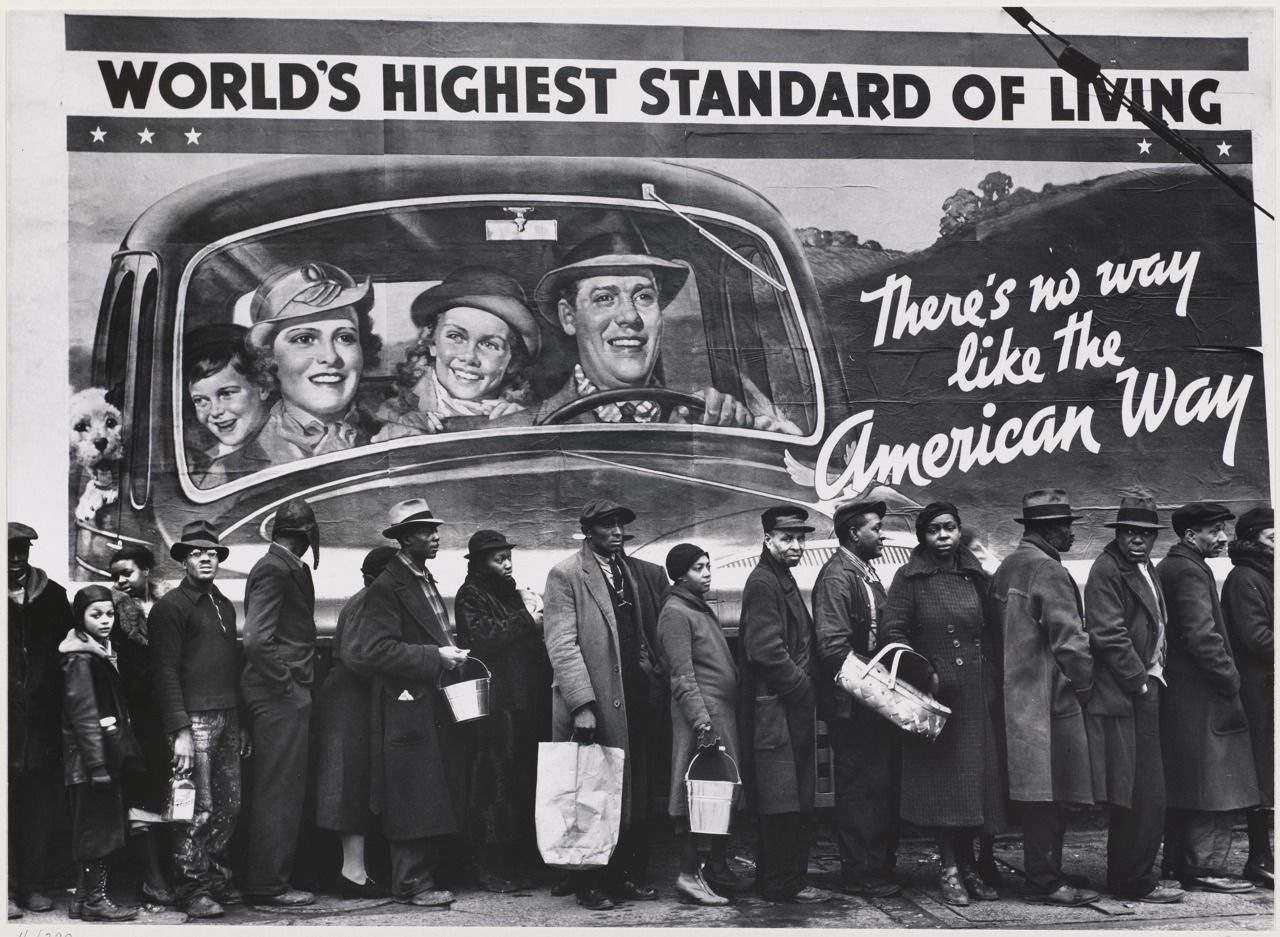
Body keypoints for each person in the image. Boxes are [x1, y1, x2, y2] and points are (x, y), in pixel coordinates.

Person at [531, 231, 800, 432]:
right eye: (604, 298)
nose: (630, 316)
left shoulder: (701, 425)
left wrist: (754, 442)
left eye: (644, 297)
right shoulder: (519, 432)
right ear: (569, 317)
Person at [543, 498, 668, 911]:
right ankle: (589, 884)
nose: (616, 531)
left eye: (620, 524)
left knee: (627, 790)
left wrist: (650, 671)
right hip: (596, 700)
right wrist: (581, 704)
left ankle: (623, 876)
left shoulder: (625, 571)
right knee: (590, 791)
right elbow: (561, 644)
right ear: (588, 531)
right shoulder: (566, 574)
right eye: (607, 525)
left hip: (630, 698)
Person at [345, 499, 470, 908]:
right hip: (407, 704)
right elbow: (375, 650)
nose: (435, 535)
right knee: (413, 793)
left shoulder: (421, 578)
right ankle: (411, 884)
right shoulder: (388, 585)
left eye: (434, 528)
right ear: (403, 538)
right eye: (424, 530)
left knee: (425, 790)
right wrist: (435, 657)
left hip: (424, 700)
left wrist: (445, 654)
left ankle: (420, 878)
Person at [880, 502, 1005, 907]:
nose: (943, 536)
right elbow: (892, 635)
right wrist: (927, 676)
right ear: (923, 536)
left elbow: (991, 630)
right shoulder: (909, 579)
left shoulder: (974, 575)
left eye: (950, 527)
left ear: (958, 530)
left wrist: (989, 677)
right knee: (944, 789)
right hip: (936, 699)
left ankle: (969, 867)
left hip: (974, 694)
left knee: (973, 789)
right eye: (934, 530)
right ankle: (949, 868)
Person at [990, 489, 1099, 907]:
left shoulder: (1008, 566)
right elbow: (1071, 642)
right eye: (1066, 525)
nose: (1071, 531)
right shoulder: (1048, 570)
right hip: (1050, 701)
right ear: (1049, 529)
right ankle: (1044, 880)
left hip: (1017, 699)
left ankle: (1047, 871)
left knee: (1039, 793)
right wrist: (1085, 687)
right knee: (1051, 795)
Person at [1081, 496, 1184, 904]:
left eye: (1145, 534)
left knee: (1144, 791)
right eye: (1130, 533)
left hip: (1147, 686)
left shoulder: (1144, 567)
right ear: (1118, 534)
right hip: (1128, 694)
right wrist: (1139, 682)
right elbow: (1107, 633)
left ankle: (1132, 875)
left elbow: (1156, 623)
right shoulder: (1108, 569)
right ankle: (1133, 880)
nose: (1138, 540)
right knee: (1141, 792)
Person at [149, 519, 250, 919]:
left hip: (227, 715)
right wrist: (180, 732)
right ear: (183, 561)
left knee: (230, 805)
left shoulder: (222, 603)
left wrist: (240, 721)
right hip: (194, 721)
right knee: (194, 807)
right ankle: (191, 888)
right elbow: (165, 673)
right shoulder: (170, 608)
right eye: (196, 552)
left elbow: (231, 667)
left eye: (212, 553)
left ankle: (217, 878)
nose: (206, 558)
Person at [1157, 502, 1259, 893]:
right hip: (1204, 695)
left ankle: (1179, 863)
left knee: (1191, 781)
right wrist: (1230, 680)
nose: (1222, 537)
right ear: (1190, 536)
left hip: (1185, 695)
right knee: (1213, 785)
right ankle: (1204, 869)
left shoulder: (1173, 565)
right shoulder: (1189, 571)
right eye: (1214, 530)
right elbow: (1202, 637)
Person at [738, 507, 833, 904]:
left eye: (800, 538)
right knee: (782, 800)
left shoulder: (780, 577)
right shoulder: (764, 582)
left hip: (783, 706)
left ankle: (780, 880)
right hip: (776, 708)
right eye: (787, 538)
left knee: (788, 798)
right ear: (768, 540)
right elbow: (765, 649)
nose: (796, 546)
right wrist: (802, 688)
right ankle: (783, 884)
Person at [811, 499, 902, 899]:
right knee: (859, 788)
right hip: (855, 705)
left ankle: (875, 867)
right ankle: (861, 873)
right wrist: (880, 684)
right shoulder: (836, 577)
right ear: (854, 533)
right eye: (876, 528)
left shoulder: (864, 572)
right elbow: (832, 647)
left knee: (877, 785)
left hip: (872, 700)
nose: (882, 535)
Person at [454, 529, 552, 893]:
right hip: (493, 704)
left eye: (508, 557)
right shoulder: (471, 594)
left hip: (519, 700)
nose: (507, 563)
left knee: (515, 782)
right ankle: (487, 864)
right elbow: (486, 636)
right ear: (481, 563)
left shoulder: (510, 593)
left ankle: (512, 861)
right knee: (491, 783)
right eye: (499, 559)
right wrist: (528, 617)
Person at [240, 499, 322, 907]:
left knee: (282, 788)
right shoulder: (275, 568)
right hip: (279, 695)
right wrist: (287, 686)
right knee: (279, 790)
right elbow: (256, 638)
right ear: (306, 534)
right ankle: (268, 883)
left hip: (284, 692)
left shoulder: (287, 566)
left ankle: (271, 878)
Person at [654, 544, 740, 906]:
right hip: (700, 719)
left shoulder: (697, 607)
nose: (706, 573)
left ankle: (716, 868)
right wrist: (703, 723)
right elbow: (682, 676)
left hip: (719, 715)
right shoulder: (675, 613)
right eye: (697, 569)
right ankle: (689, 875)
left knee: (718, 796)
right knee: (692, 797)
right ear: (679, 575)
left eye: (708, 567)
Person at [314, 545, 398, 899]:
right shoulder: (371, 600)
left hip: (346, 696)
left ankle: (355, 870)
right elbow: (357, 654)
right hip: (351, 699)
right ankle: (353, 873)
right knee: (351, 785)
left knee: (351, 784)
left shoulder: (361, 598)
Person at [245, 261, 391, 461]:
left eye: (345, 338)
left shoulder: (406, 441)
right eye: (304, 339)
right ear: (269, 358)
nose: (330, 357)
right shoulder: (230, 468)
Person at [376, 266, 541, 436]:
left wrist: (524, 425)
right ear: (432, 343)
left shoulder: (531, 417)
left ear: (511, 361)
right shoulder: (393, 415)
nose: (469, 356)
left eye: (490, 345)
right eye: (455, 336)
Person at [60, 585, 142, 922]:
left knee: (94, 827)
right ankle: (95, 901)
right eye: (96, 615)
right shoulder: (80, 658)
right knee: (97, 830)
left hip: (94, 760)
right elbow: (83, 716)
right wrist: (96, 765)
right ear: (80, 618)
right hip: (91, 762)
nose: (106, 620)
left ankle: (82, 900)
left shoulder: (96, 652)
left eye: (110, 613)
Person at [8, 522, 73, 919]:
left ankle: (32, 885)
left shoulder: (53, 596)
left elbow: (68, 649)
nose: (16, 560)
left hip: (43, 723)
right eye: (8, 552)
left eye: (22, 551)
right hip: (6, 724)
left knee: (38, 805)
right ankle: (5, 889)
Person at [108, 545, 175, 906]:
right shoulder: (115, 616)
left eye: (128, 572)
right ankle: (152, 877)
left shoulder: (168, 607)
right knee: (143, 793)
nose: (121, 581)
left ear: (147, 571)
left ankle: (171, 871)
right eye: (115, 574)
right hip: (139, 719)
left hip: (171, 716)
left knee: (173, 794)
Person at [1222, 506, 1274, 889]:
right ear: (1253, 538)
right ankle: (1260, 858)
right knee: (1264, 772)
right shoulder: (1245, 577)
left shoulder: (1267, 573)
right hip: (1261, 690)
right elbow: (1256, 638)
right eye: (1272, 536)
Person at [184, 325, 273, 487]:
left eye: (226, 394)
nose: (215, 411)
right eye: (200, 400)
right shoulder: (203, 459)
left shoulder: (282, 450)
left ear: (263, 387)